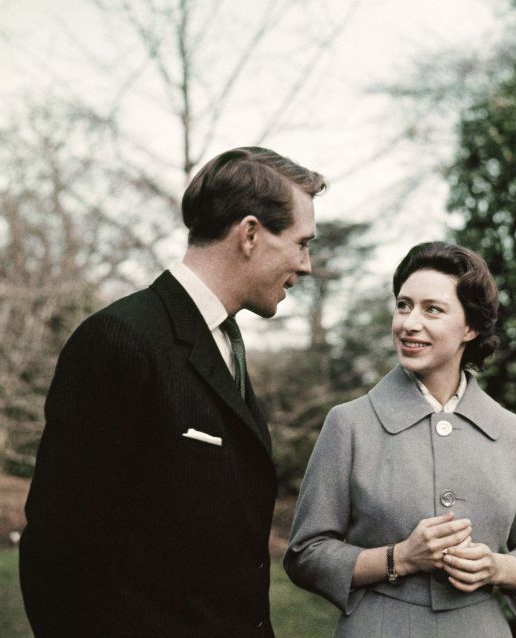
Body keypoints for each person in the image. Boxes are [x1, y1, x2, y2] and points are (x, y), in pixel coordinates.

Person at [20, 146, 325, 638]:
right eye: (301, 243)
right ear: (249, 234)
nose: (306, 265)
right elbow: (57, 548)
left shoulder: (226, 344)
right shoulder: (119, 339)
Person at [284, 241, 516, 637]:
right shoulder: (349, 424)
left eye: (432, 309)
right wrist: (399, 558)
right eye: (403, 305)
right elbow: (305, 553)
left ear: (470, 327)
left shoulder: (514, 433)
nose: (409, 323)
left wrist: (497, 567)